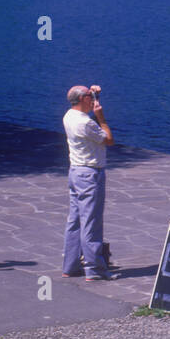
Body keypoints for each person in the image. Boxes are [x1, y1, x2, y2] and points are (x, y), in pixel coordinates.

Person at [62, 84, 115, 282]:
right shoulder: (87, 123)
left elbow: (87, 122)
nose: (93, 98)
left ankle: (70, 265)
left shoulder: (69, 116)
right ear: (83, 99)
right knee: (91, 222)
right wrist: (101, 118)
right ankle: (95, 269)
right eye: (89, 96)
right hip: (90, 174)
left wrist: (95, 95)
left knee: (74, 221)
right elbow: (108, 139)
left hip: (75, 172)